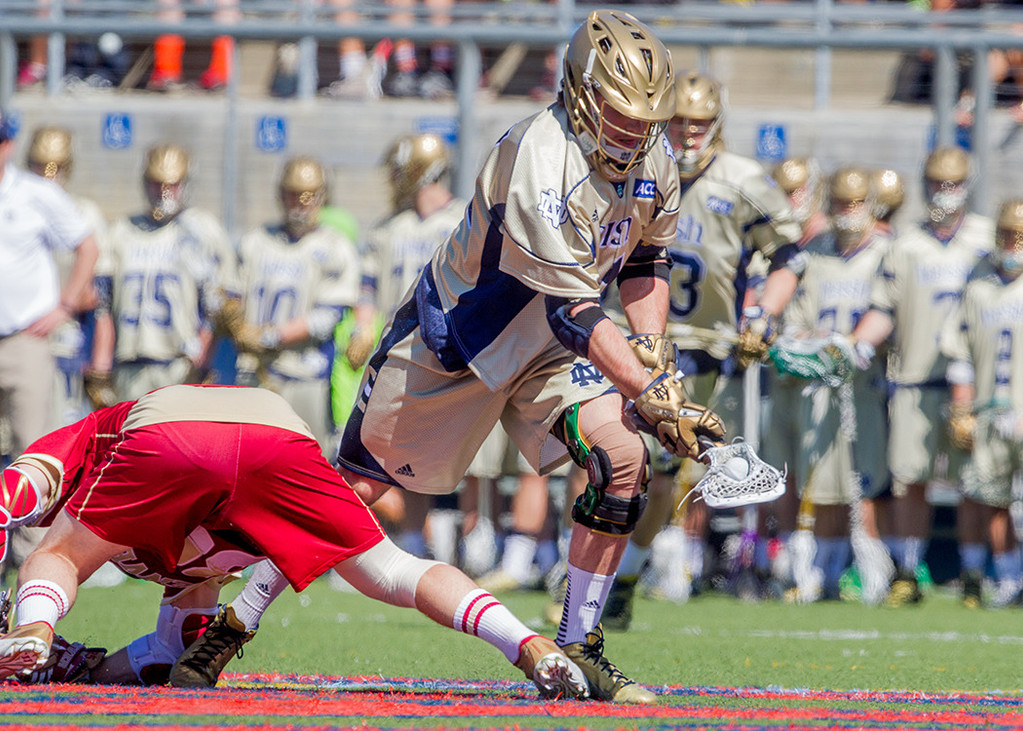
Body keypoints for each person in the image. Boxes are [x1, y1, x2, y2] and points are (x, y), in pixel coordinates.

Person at [193, 10, 713, 705]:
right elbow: (570, 306)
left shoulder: (654, 159)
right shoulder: (536, 154)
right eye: (621, 114)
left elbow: (644, 260)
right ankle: (236, 619)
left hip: (550, 349)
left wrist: (654, 356)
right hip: (459, 342)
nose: (634, 133)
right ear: (581, 95)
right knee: (355, 493)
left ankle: (579, 646)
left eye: (646, 119)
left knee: (623, 460)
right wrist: (649, 388)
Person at [0, 385, 588, 699]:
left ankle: (34, 630)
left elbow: (16, 493)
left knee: (54, 557)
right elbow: (171, 652)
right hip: (278, 433)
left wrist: (33, 624)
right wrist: (89, 668)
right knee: (392, 572)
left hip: (169, 428)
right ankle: (526, 643)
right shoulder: (188, 578)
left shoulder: (88, 442)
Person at [601, 71, 803, 624]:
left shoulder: (742, 180)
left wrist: (763, 315)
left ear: (717, 123)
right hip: (626, 337)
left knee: (662, 470)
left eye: (699, 123)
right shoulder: (637, 166)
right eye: (679, 122)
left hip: (700, 350)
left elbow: (789, 255)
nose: (688, 134)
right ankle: (586, 574)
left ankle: (624, 576)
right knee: (602, 453)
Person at [848, 145, 994, 606]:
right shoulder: (906, 245)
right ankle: (907, 570)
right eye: (936, 183)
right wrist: (857, 344)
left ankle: (973, 573)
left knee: (975, 482)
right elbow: (883, 307)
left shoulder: (987, 239)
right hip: (915, 378)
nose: (944, 192)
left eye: (952, 184)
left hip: (975, 386)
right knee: (911, 479)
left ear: (967, 185)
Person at [329, 132, 465, 548]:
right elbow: (367, 288)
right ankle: (413, 541)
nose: (394, 178)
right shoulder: (388, 228)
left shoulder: (461, 219)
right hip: (398, 352)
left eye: (401, 169)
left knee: (446, 457)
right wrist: (363, 327)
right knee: (393, 452)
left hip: (448, 351)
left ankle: (456, 540)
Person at [770, 168, 893, 603]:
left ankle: (874, 569)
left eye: (855, 203)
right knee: (823, 481)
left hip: (867, 383)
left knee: (867, 479)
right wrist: (822, 346)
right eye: (841, 203)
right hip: (821, 385)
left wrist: (856, 345)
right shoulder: (815, 252)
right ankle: (825, 569)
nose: (848, 212)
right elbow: (795, 323)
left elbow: (890, 311)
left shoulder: (885, 252)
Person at [0, 110, 100, 575]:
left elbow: (87, 245)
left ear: (8, 145)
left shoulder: (35, 193)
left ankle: (33, 565)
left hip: (24, 340)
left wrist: (64, 305)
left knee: (32, 455)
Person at [227, 156, 358, 455]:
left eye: (308, 196)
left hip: (305, 376)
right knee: (249, 461)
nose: (300, 204)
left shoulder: (335, 246)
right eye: (293, 195)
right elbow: (232, 295)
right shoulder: (256, 241)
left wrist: (269, 336)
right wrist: (232, 320)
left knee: (305, 463)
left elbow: (326, 318)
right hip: (255, 374)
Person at [87, 143, 234, 406]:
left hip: (179, 366)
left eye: (172, 185)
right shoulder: (121, 232)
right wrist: (101, 367)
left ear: (185, 184)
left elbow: (219, 308)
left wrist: (202, 357)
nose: (163, 193)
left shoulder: (201, 231)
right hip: (130, 365)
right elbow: (104, 306)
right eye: (157, 184)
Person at [940, 199, 1023, 608]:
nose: (1013, 243)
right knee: (989, 497)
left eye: (1020, 236)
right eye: (1007, 234)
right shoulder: (978, 287)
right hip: (991, 410)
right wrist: (963, 407)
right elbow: (962, 350)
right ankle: (1004, 578)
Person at [24, 126, 108, 430]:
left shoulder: (83, 213)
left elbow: (99, 298)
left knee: (60, 430)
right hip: (17, 335)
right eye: (40, 166)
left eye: (55, 167)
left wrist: (100, 362)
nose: (48, 175)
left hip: (64, 338)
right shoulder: (13, 208)